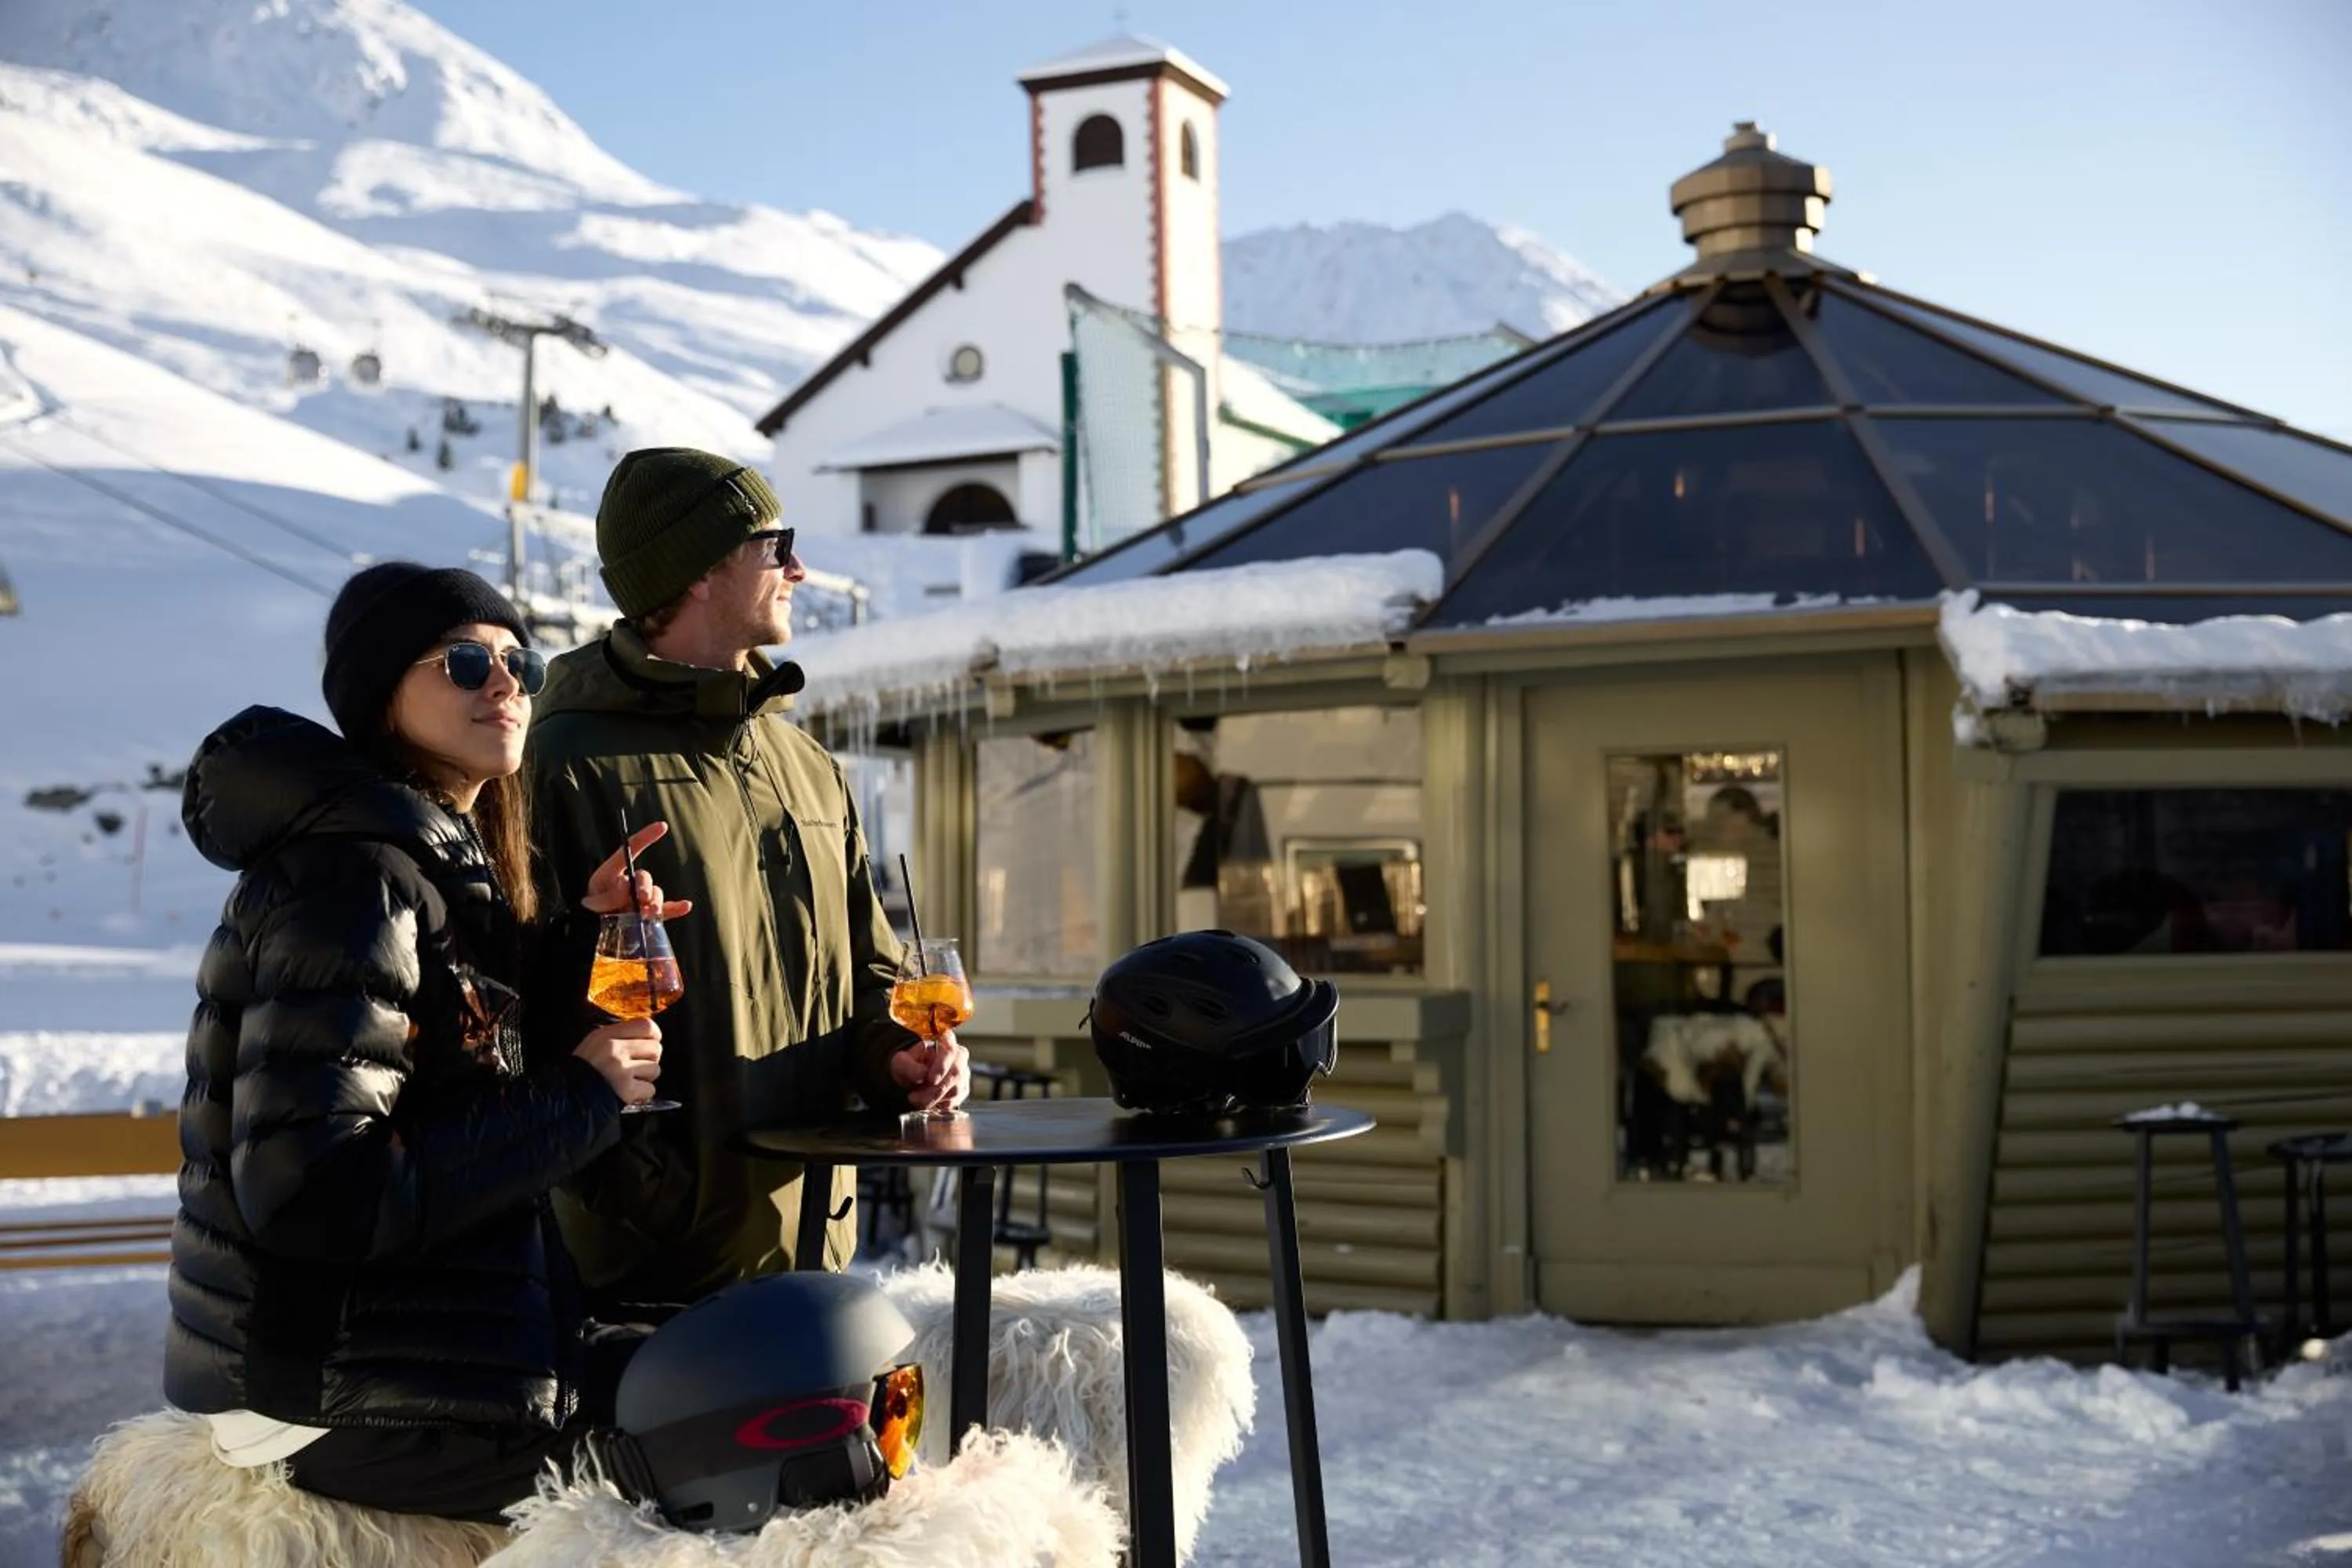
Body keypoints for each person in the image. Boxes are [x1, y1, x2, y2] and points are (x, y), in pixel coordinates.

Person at [165, 562, 684, 1523]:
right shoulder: (351, 880)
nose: (506, 684)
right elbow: (316, 1192)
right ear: (381, 695)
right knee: (747, 1432)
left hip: (414, 1351)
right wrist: (581, 1095)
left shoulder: (428, 864)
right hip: (327, 1388)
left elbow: (457, 1074)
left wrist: (585, 942)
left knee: (751, 1354)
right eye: (464, 662)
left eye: (521, 663)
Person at [524, 447, 967, 1306]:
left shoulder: (807, 766)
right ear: (698, 570)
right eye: (776, 546)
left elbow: (871, 974)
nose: (798, 570)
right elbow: (510, 1008)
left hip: (817, 1246)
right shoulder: (563, 763)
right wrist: (638, 1183)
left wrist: (901, 1059)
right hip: (641, 1269)